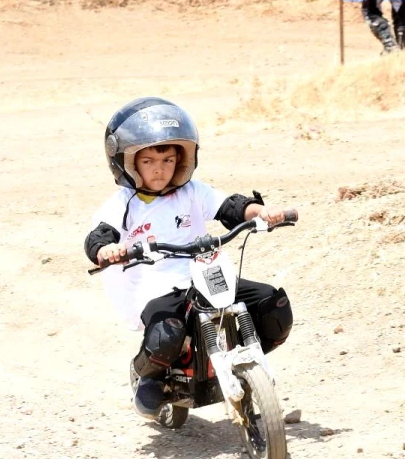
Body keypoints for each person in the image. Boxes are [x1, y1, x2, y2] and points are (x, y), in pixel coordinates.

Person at [84, 97, 295, 420]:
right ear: (128, 163)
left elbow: (232, 207)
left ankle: (242, 363)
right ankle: (148, 374)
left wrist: (261, 212)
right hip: (155, 286)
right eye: (149, 161)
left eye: (168, 160)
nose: (160, 169)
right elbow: (100, 235)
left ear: (182, 160)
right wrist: (105, 250)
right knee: (166, 335)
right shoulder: (123, 203)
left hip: (203, 276)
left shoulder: (192, 191)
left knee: (272, 305)